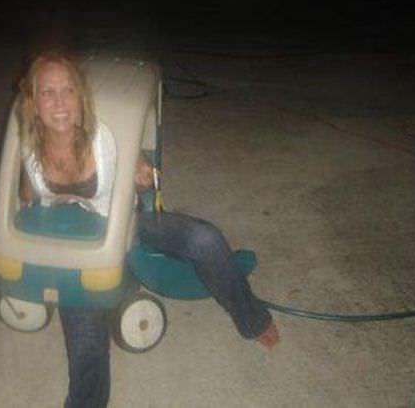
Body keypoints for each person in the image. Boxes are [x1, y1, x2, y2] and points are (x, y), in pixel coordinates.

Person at [16, 50, 279, 408]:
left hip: (129, 223)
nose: (60, 102)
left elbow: (142, 170)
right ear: (33, 103)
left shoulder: (104, 138)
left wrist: (142, 170)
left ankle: (253, 318)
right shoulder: (29, 150)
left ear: (80, 98)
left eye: (68, 90)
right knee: (87, 345)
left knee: (206, 239)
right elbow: (27, 198)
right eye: (48, 92)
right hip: (81, 251)